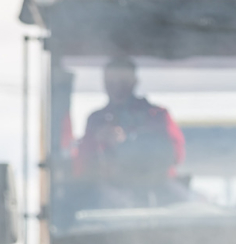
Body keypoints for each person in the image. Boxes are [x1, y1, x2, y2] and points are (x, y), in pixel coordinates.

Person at [74, 56, 185, 202]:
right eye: (111, 83)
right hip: (109, 194)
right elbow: (82, 165)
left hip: (157, 191)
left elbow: (176, 154)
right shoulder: (96, 120)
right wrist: (95, 142)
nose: (117, 87)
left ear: (134, 82)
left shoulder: (157, 116)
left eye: (123, 82)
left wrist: (127, 142)